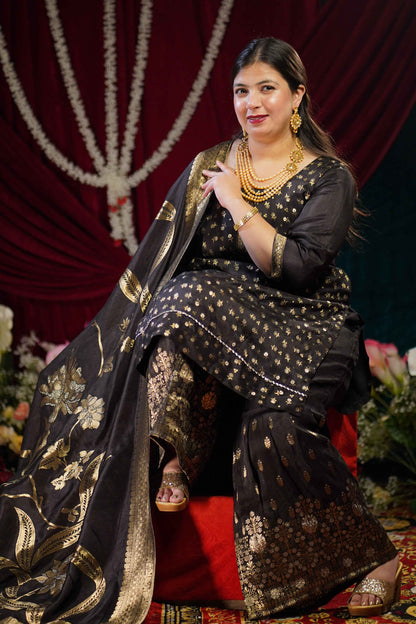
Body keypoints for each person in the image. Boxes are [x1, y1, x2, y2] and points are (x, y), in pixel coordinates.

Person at [0, 38, 401, 623]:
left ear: (297, 97)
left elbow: (297, 270)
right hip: (214, 331)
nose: (252, 103)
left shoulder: (327, 177)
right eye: (242, 91)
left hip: (305, 327)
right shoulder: (207, 168)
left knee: (266, 420)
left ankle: (379, 561)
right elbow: (161, 263)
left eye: (267, 89)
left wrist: (236, 202)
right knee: (181, 302)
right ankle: (173, 455)